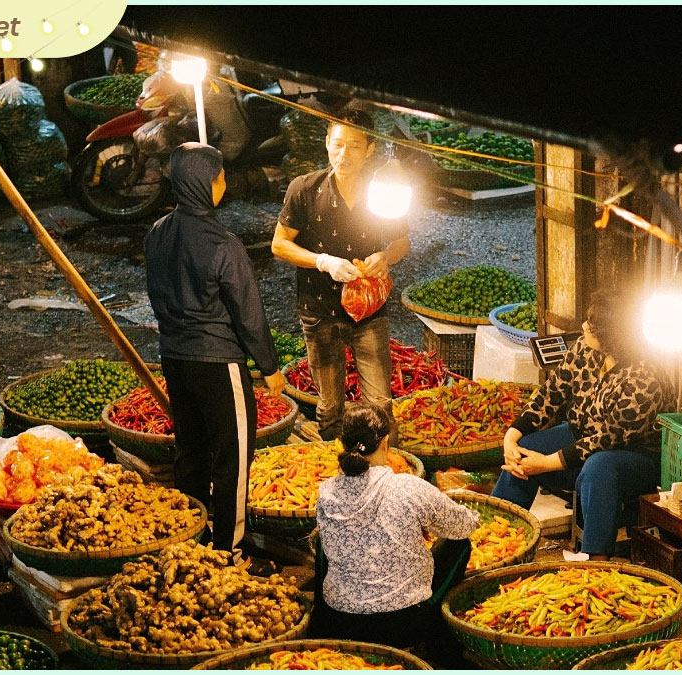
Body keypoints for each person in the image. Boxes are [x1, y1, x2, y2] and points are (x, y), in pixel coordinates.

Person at [144, 142, 285, 564]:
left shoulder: (157, 232)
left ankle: (191, 539)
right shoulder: (224, 243)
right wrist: (270, 367)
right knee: (233, 457)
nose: (223, 183)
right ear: (208, 183)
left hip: (174, 357)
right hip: (218, 362)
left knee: (190, 451)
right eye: (220, 176)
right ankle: (229, 549)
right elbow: (249, 314)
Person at [491, 291, 673, 560]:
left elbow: (606, 439)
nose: (585, 327)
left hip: (635, 458)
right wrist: (512, 436)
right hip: (581, 436)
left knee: (598, 467)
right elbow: (550, 394)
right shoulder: (584, 349)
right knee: (525, 448)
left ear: (614, 336)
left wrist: (546, 463)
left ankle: (594, 558)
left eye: (594, 325)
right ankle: (498, 539)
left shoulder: (644, 379)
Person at [271, 109, 411, 441]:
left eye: (353, 146)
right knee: (329, 405)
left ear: (371, 150)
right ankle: (337, 465)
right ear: (326, 143)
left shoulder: (384, 192)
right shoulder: (304, 189)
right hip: (318, 311)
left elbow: (402, 241)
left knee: (379, 402)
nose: (343, 154)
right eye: (337, 145)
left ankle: (381, 471)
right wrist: (323, 262)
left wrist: (385, 256)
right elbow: (280, 245)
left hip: (370, 313)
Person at [315, 404, 479, 648]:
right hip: (402, 624)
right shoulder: (407, 486)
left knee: (321, 539)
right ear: (385, 443)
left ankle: (320, 622)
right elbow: (464, 526)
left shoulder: (326, 491)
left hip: (339, 620)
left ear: (342, 443)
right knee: (460, 544)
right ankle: (437, 634)